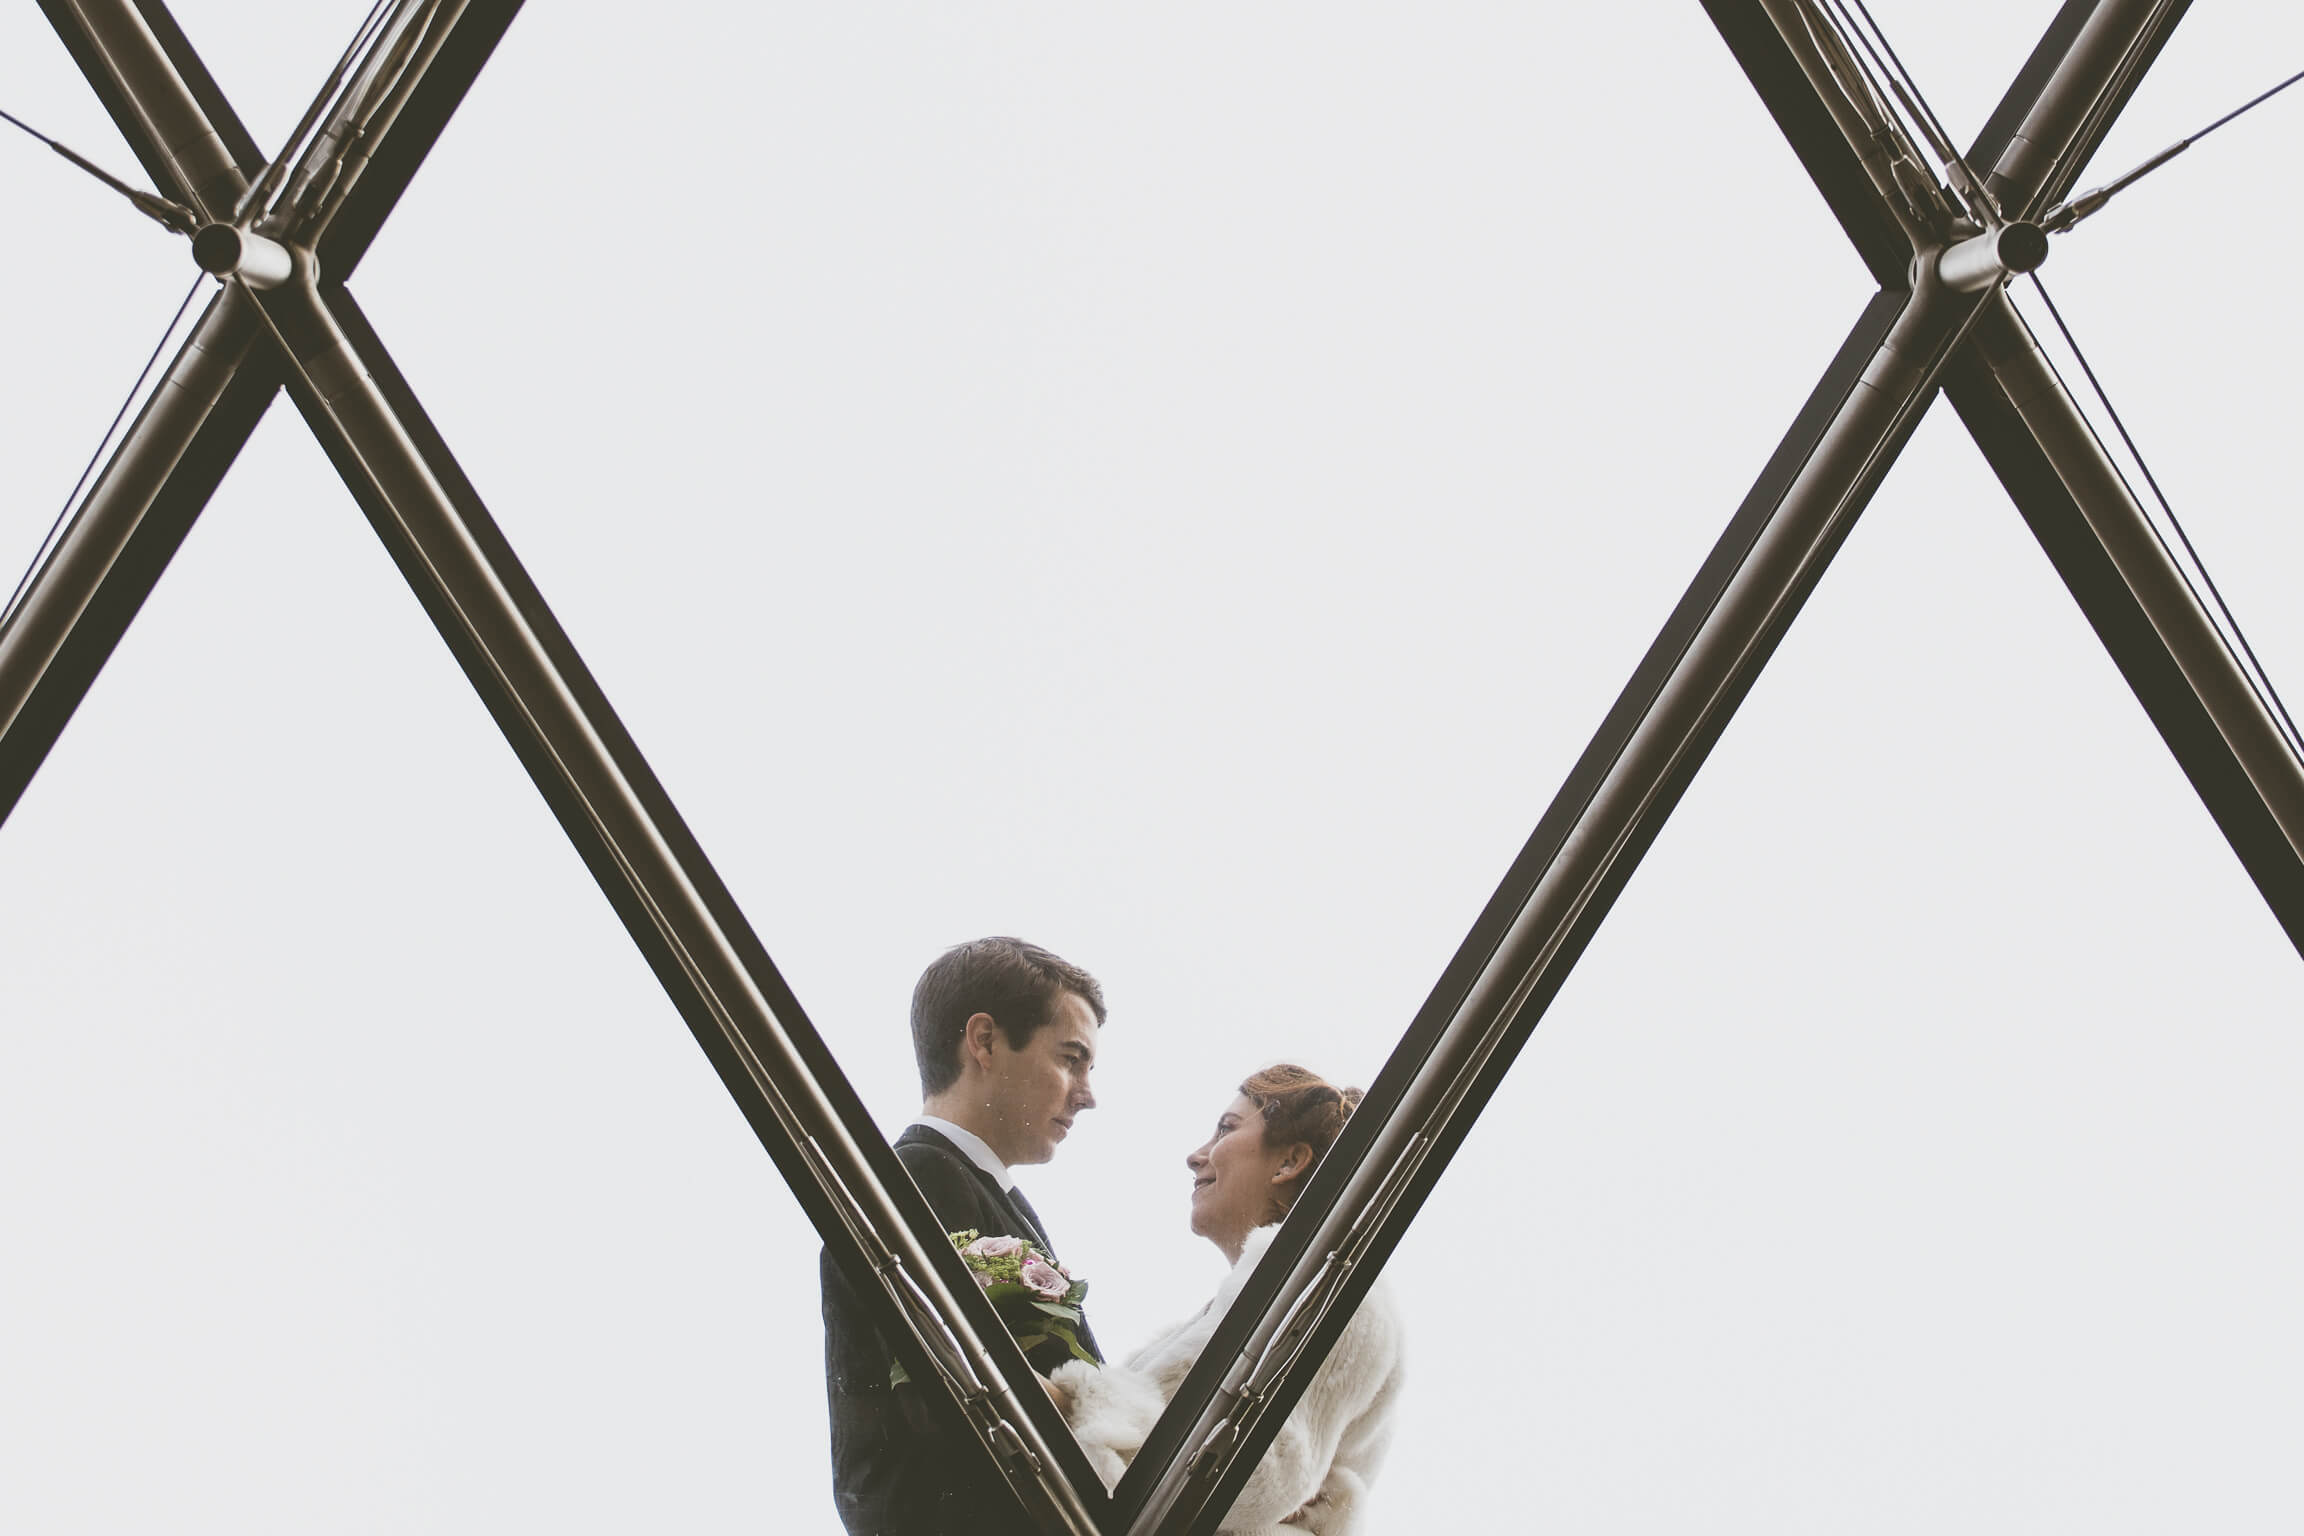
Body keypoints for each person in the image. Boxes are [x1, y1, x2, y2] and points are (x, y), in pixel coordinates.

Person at [821, 937, 1106, 1536]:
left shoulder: (979, 1191)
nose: (1087, 1095)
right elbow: (951, 1396)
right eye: (1070, 1058)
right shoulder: (919, 1177)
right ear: (983, 1042)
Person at [1051, 1064, 1404, 1535]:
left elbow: (1247, 1469)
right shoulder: (1296, 1286)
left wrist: (1061, 1399)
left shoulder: (1326, 1284)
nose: (1196, 1156)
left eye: (1226, 1129)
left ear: (1288, 1163)